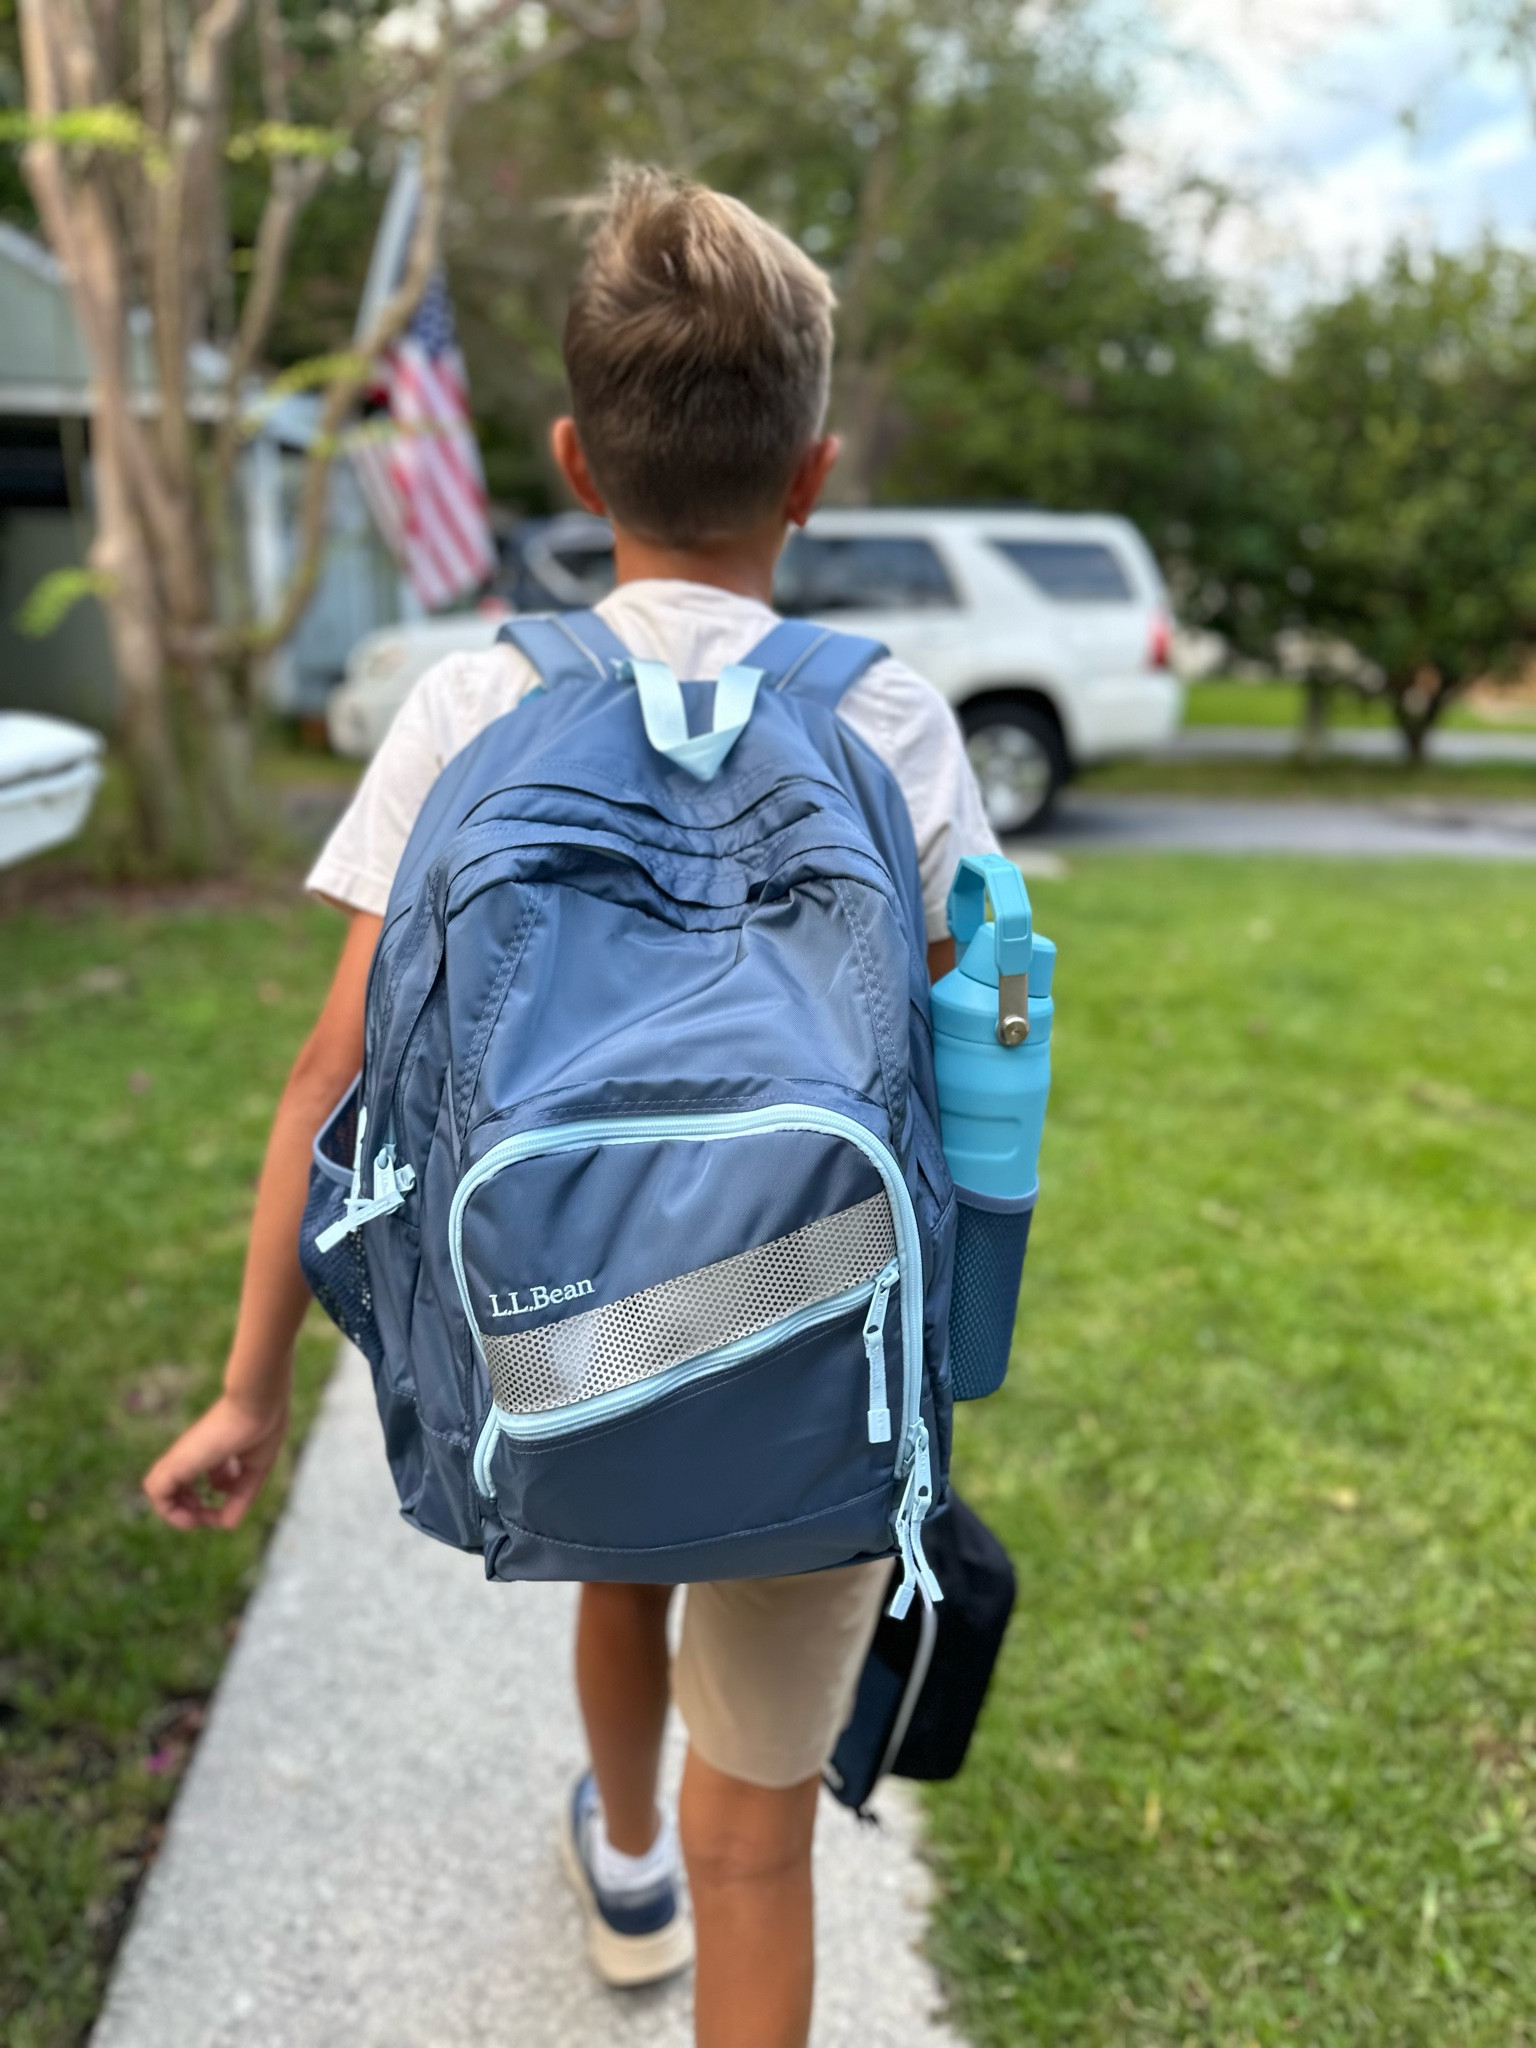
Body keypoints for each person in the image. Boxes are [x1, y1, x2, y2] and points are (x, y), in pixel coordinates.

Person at [143, 166, 999, 2048]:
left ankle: (623, 1856)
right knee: (759, 1845)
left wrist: (249, 1385)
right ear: (815, 471)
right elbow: (978, 1058)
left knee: (622, 1532)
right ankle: (686, 1855)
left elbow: (331, 1075)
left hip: (574, 1319)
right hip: (822, 1332)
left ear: (568, 458)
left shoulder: (474, 702)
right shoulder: (897, 723)